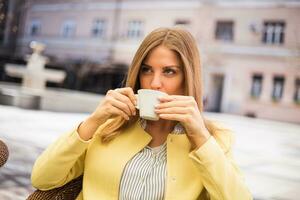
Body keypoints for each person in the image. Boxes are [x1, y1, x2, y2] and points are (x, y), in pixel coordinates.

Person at [31, 27, 253, 200]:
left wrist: (200, 138)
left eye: (169, 71)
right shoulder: (106, 128)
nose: (155, 83)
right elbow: (43, 178)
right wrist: (93, 121)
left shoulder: (213, 140)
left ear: (188, 78)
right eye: (147, 70)